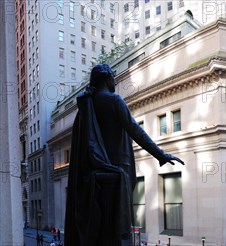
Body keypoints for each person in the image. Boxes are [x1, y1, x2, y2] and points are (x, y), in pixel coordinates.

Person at [64, 64, 184, 246]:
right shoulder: (114, 100)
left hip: (94, 173)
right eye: (113, 76)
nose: (115, 80)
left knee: (104, 226)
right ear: (106, 78)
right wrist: (160, 154)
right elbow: (136, 130)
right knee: (118, 224)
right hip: (119, 168)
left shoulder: (85, 107)